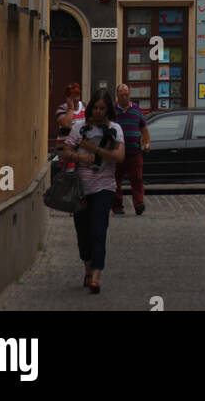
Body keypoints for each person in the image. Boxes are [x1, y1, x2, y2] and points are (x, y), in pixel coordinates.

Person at [62, 88, 125, 294]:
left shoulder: (115, 129)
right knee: (83, 233)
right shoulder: (79, 128)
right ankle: (88, 267)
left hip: (104, 187)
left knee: (99, 230)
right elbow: (65, 152)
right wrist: (81, 158)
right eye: (96, 108)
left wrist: (95, 150)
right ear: (91, 108)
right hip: (81, 188)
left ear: (108, 109)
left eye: (102, 108)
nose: (98, 112)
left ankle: (96, 276)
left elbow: (119, 157)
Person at [112, 84, 151, 216]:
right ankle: (117, 206)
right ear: (117, 95)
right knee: (116, 181)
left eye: (126, 94)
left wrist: (147, 142)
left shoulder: (136, 109)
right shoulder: (112, 110)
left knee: (137, 179)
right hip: (117, 153)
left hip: (134, 152)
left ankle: (139, 203)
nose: (124, 97)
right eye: (122, 95)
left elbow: (144, 128)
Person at [55, 82, 85, 154]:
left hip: (81, 148)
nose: (75, 99)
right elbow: (66, 124)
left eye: (77, 95)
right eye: (72, 96)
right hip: (64, 148)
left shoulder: (85, 107)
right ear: (67, 98)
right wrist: (71, 109)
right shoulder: (61, 109)